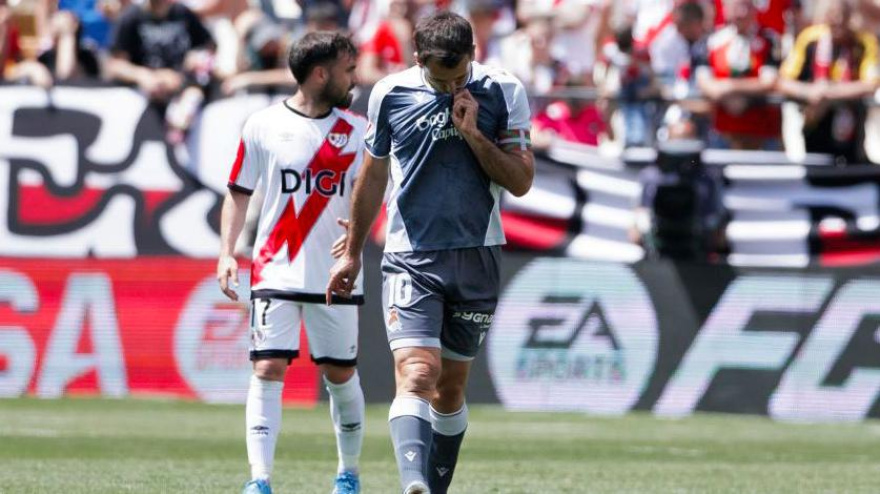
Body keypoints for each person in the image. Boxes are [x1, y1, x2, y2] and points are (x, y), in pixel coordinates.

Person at [327, 11, 534, 494]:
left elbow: (521, 181)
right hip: (410, 255)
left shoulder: (504, 91)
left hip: (476, 254)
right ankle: (413, 484)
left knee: (451, 388)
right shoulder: (390, 93)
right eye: (442, 80)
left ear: (474, 54)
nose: (452, 88)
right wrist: (352, 253)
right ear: (418, 59)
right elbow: (373, 175)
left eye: (460, 76)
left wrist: (473, 134)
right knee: (418, 371)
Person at [217, 32, 367, 494]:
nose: (353, 78)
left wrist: (358, 243)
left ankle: (348, 474)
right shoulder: (262, 125)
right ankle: (259, 480)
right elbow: (238, 193)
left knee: (340, 374)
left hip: (334, 273)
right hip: (274, 268)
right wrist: (226, 252)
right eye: (347, 70)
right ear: (320, 74)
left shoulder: (358, 131)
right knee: (266, 369)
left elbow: (376, 195)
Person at [778, 0, 879, 164]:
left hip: (851, 133)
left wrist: (829, 92)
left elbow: (871, 83)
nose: (838, 20)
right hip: (814, 127)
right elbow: (783, 81)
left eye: (842, 15)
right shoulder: (810, 38)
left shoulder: (863, 41)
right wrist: (809, 92)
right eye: (833, 15)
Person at [695, 0, 782, 150]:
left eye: (746, 6)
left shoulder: (769, 40)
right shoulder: (711, 40)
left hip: (761, 135)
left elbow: (769, 82)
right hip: (723, 134)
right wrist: (726, 92)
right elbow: (705, 83)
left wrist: (729, 87)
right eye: (736, 7)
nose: (741, 13)